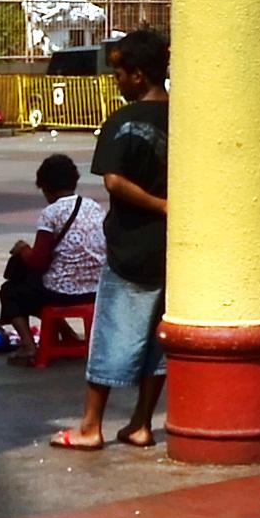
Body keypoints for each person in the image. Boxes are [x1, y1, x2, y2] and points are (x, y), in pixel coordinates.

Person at [51, 30, 169, 451]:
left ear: (137, 75)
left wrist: (159, 205)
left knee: (112, 334)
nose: (115, 78)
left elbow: (115, 182)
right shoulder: (185, 116)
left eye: (119, 71)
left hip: (132, 247)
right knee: (158, 336)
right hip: (174, 251)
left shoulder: (123, 121)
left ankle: (90, 425)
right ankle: (140, 423)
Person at [0, 151, 104, 335]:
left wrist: (22, 249)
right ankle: (67, 334)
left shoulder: (51, 213)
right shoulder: (94, 206)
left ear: (45, 186)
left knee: (12, 291)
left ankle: (29, 346)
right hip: (96, 288)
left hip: (63, 292)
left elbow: (37, 261)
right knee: (33, 287)